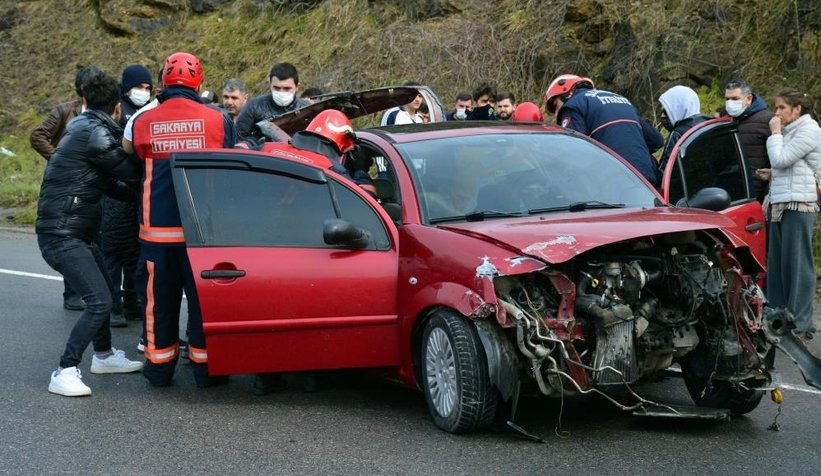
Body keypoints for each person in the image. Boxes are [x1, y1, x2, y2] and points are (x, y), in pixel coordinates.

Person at [131, 52, 237, 388]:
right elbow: (232, 161)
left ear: (163, 80)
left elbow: (134, 156)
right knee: (204, 303)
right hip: (202, 235)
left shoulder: (144, 120)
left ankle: (159, 369)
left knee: (158, 304)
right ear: (199, 82)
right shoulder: (218, 120)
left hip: (157, 234)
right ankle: (207, 370)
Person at [36, 70, 144, 397]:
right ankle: (65, 369)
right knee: (98, 302)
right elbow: (129, 171)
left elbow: (114, 185)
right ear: (116, 109)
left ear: (84, 101)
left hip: (73, 232)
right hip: (62, 235)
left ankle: (105, 356)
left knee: (107, 292)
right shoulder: (95, 135)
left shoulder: (82, 129)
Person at [30, 65, 104, 312]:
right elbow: (38, 135)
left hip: (93, 184)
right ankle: (72, 293)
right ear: (82, 89)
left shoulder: (104, 111)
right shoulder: (64, 111)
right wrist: (59, 157)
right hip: (66, 187)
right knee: (70, 236)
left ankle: (98, 291)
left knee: (94, 235)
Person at [762, 88, 820, 342]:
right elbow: (786, 166)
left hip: (799, 205)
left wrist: (774, 134)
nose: (777, 113)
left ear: (797, 109)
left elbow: (781, 159)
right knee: (778, 264)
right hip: (781, 203)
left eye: (782, 108)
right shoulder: (788, 131)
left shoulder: (809, 130)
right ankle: (778, 317)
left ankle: (801, 322)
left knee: (797, 265)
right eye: (776, 108)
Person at [99, 64, 154, 327]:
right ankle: (114, 308)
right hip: (115, 193)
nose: (142, 92)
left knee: (133, 254)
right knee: (113, 255)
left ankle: (131, 303)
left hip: (134, 192)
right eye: (138, 87)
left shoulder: (144, 113)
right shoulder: (117, 112)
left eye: (146, 88)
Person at [545, 73, 663, 186]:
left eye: (556, 106)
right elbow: (656, 141)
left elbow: (571, 149)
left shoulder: (573, 105)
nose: (556, 113)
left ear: (567, 94)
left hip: (612, 182)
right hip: (646, 181)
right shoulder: (622, 100)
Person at [235, 62, 309, 147]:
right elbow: (240, 137)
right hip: (263, 156)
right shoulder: (254, 106)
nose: (281, 93)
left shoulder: (307, 109)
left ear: (297, 87)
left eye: (287, 88)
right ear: (270, 85)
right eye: (276, 88)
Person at [724, 79, 774, 203]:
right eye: (727, 99)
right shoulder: (727, 122)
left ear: (749, 99)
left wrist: (768, 195)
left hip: (758, 195)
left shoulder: (768, 120)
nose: (730, 103)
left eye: (735, 99)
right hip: (733, 194)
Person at [657, 85, 711, 170]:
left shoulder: (678, 134)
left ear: (678, 109)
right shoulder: (708, 125)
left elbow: (664, 171)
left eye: (666, 111)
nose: (662, 116)